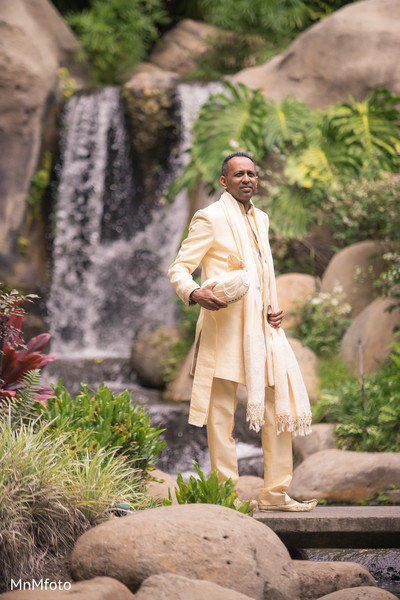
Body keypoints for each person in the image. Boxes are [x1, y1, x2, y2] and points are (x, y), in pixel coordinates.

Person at [168, 152, 317, 511]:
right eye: (238, 174)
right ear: (224, 181)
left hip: (262, 332)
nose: (246, 179)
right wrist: (194, 292)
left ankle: (275, 494)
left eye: (251, 173)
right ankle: (226, 497)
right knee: (220, 416)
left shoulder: (261, 218)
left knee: (276, 406)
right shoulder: (210, 217)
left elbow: (263, 273)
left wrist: (273, 307)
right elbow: (179, 268)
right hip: (223, 329)